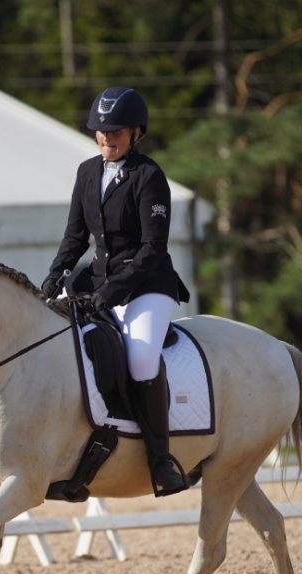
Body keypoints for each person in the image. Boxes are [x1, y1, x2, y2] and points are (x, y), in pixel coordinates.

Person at [41, 86, 192, 497]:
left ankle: (160, 460)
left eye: (117, 132)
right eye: (101, 131)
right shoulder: (87, 171)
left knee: (142, 359)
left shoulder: (150, 176)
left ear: (136, 132)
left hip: (147, 284)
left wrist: (109, 293)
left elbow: (151, 249)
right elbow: (74, 237)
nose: (107, 138)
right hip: (99, 279)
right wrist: (55, 278)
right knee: (50, 335)